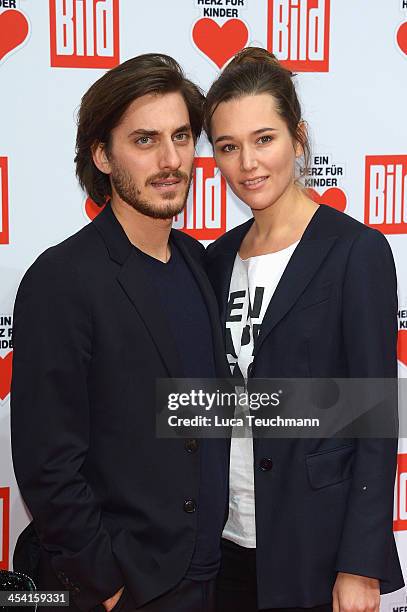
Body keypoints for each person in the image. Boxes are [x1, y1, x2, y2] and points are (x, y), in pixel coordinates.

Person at [11, 53, 230, 612]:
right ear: (103, 155)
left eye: (182, 136)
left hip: (208, 577)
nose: (171, 159)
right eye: (145, 140)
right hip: (129, 586)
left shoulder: (195, 263)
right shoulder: (62, 279)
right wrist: (104, 582)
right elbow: (46, 460)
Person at [204, 47, 404, 612]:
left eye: (264, 139)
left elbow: (374, 414)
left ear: (298, 137)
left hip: (316, 548)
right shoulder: (214, 261)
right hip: (224, 545)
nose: (248, 164)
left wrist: (360, 564)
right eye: (228, 147)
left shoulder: (355, 252)